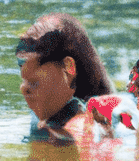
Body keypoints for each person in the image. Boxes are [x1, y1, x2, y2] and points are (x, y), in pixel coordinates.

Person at [16, 13, 112, 145]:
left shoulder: (83, 126)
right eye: (25, 81)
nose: (23, 89)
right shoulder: (46, 112)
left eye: (34, 82)